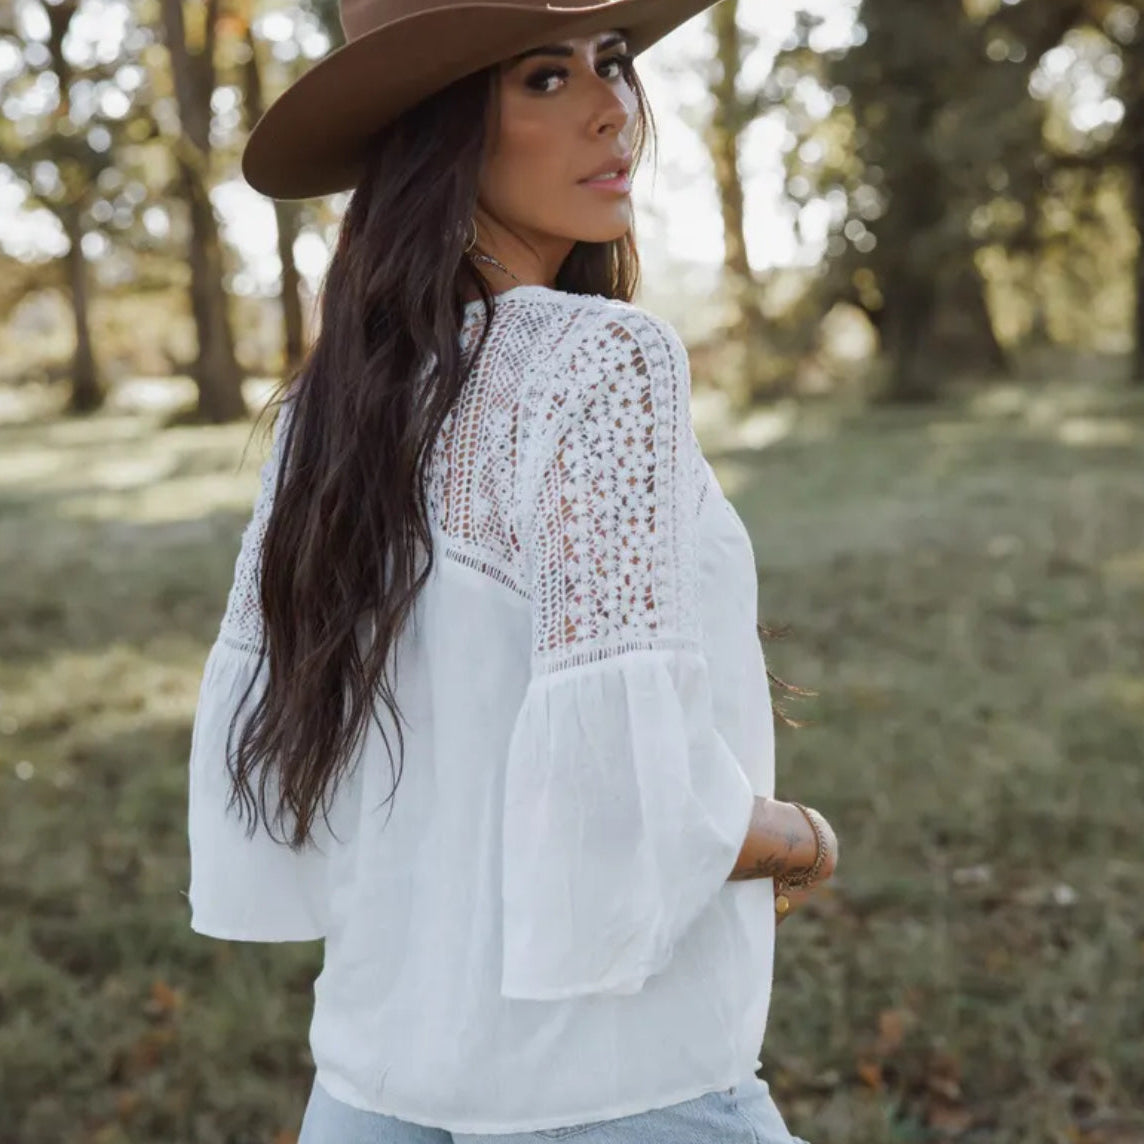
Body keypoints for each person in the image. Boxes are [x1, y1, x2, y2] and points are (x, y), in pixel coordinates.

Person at [185, 0, 840, 1140]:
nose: (608, 111)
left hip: (370, 1085)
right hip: (621, 1086)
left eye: (612, 64)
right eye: (543, 79)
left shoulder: (325, 415)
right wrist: (800, 836)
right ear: (441, 131)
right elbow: (633, 802)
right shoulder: (603, 360)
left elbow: (304, 770)